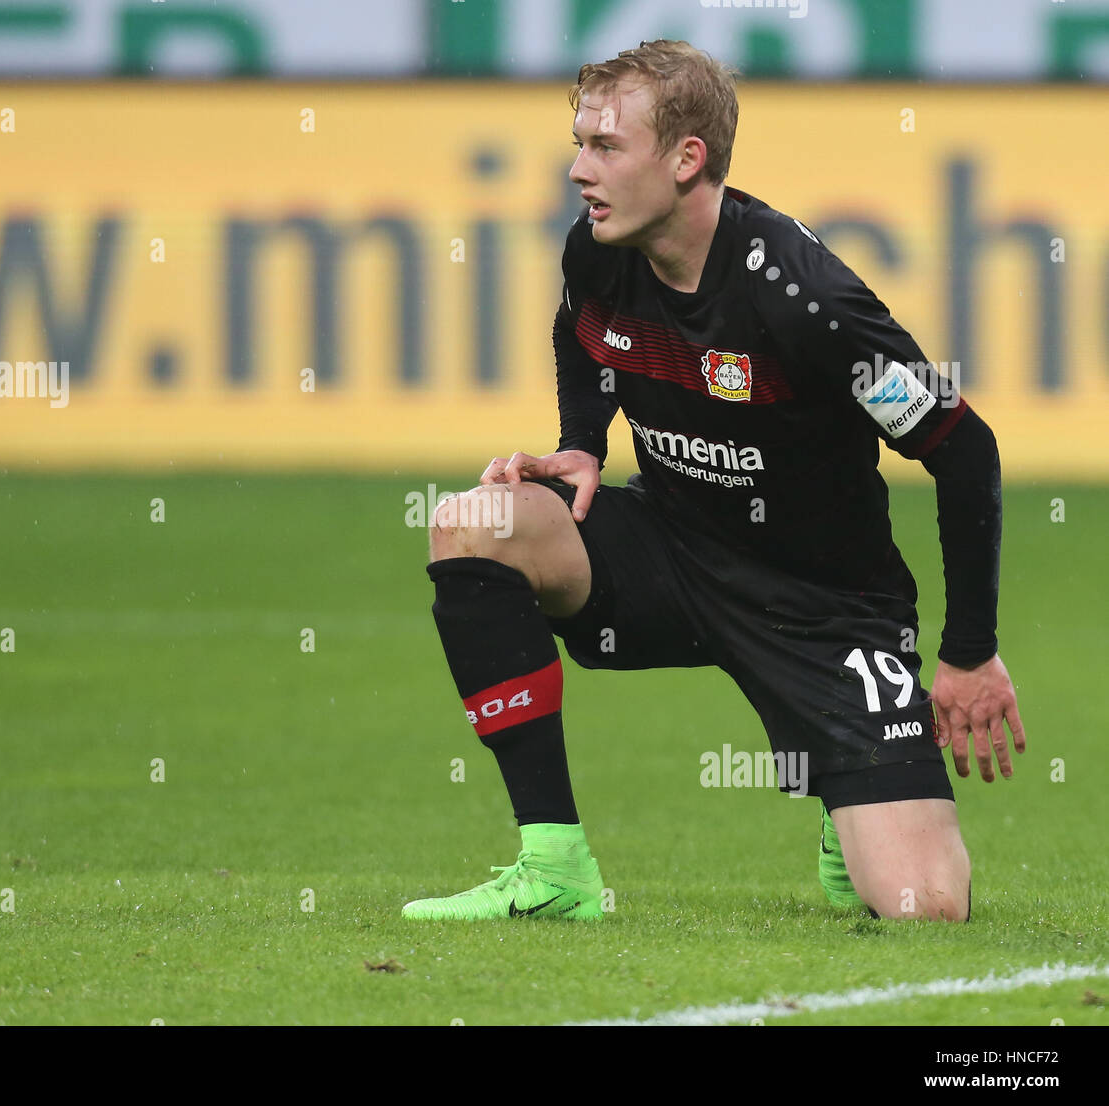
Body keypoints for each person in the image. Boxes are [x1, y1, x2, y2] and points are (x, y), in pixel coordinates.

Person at [402, 39, 1024, 923]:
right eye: (579, 142)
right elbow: (579, 339)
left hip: (825, 607)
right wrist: (582, 442)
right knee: (474, 522)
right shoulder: (599, 248)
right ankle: (554, 867)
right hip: (672, 551)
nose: (579, 169)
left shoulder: (808, 302)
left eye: (606, 147)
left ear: (687, 159)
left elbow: (966, 450)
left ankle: (841, 792)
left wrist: (968, 650)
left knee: (927, 910)